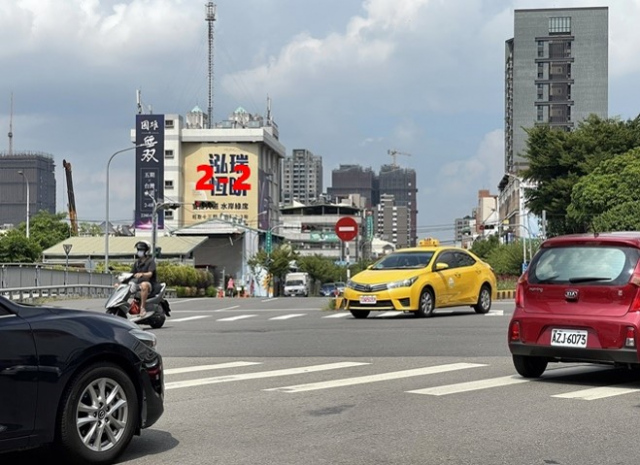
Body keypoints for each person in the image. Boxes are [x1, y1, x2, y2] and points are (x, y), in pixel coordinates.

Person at [131, 240, 159, 318]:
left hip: (149, 284)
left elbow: (150, 274)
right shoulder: (137, 263)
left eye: (141, 250)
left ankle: (142, 308)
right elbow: (131, 274)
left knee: (144, 285)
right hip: (138, 284)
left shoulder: (151, 261)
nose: (139, 252)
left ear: (146, 251)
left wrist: (142, 274)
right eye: (138, 250)